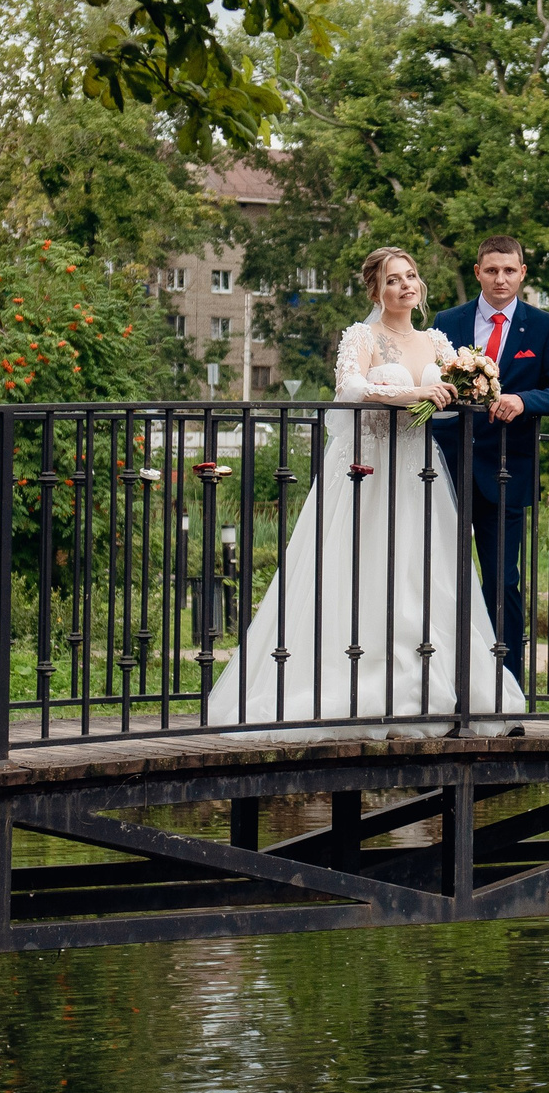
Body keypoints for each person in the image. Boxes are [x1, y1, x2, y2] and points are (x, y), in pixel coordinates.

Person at [204, 246, 525, 736]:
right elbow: (351, 389)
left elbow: (454, 397)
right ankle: (363, 686)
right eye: (393, 279)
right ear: (377, 291)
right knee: (365, 572)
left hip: (421, 474)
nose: (405, 285)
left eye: (410, 276)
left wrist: (472, 389)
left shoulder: (437, 342)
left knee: (426, 577)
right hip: (367, 472)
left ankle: (440, 688)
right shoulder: (362, 336)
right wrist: (415, 393)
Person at [428, 236, 549, 669]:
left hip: (505, 472)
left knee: (502, 581)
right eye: (492, 270)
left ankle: (505, 681)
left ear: (522, 273)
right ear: (478, 272)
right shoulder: (447, 321)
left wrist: (523, 400)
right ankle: (443, 676)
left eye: (509, 270)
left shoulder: (546, 327)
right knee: (438, 577)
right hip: (445, 467)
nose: (501, 279)